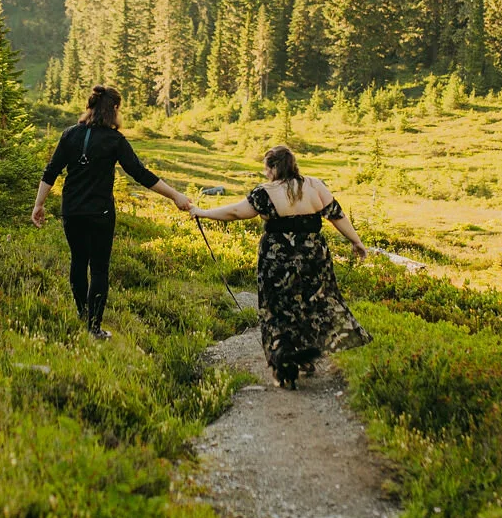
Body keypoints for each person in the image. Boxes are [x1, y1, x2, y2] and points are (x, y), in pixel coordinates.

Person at [194, 144, 370, 387]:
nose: (266, 174)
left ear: (273, 168)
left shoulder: (265, 192)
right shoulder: (315, 185)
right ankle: (307, 355)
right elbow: (336, 215)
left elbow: (235, 212)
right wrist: (356, 242)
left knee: (277, 310)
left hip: (277, 261)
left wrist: (201, 212)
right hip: (313, 259)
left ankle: (284, 361)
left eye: (266, 169)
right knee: (311, 303)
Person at [33, 86, 194, 339]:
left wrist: (38, 205)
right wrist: (176, 195)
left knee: (78, 261)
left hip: (72, 211)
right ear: (114, 109)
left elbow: (50, 171)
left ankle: (82, 314)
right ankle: (94, 328)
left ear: (90, 107)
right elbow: (141, 174)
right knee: (98, 268)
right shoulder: (114, 140)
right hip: (100, 214)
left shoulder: (69, 135)